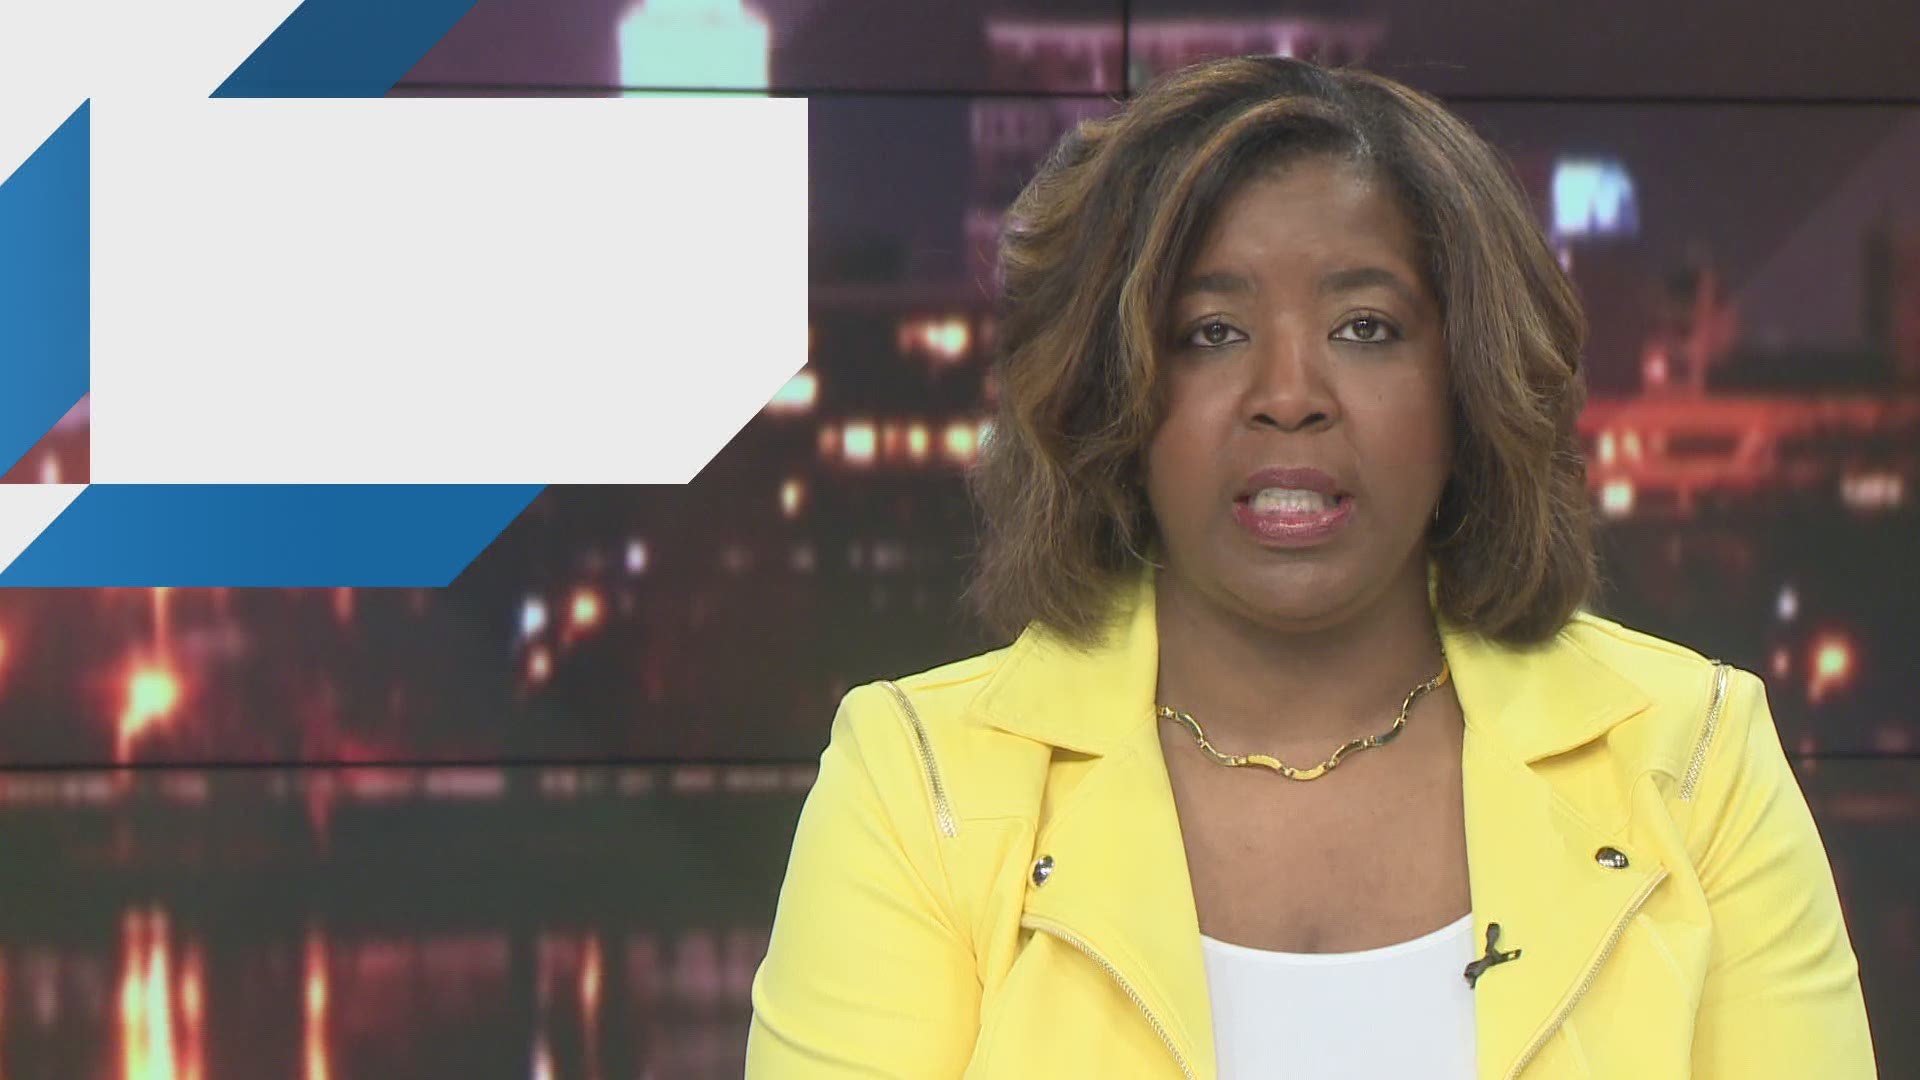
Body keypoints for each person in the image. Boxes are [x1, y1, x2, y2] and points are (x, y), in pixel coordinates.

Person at [746, 55, 1876, 1078]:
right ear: (1113, 392)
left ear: (1466, 382)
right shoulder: (920, 791)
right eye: (1211, 332)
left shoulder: (1694, 762)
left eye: (1365, 328)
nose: (1289, 396)